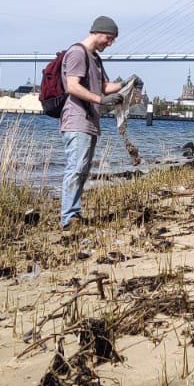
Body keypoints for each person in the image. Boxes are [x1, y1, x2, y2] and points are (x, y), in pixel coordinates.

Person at [59, 16, 126, 230]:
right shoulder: (78, 53)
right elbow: (72, 86)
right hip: (77, 119)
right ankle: (68, 218)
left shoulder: (95, 58)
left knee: (83, 169)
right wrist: (100, 100)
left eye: (113, 39)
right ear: (97, 32)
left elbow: (103, 86)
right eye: (109, 38)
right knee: (76, 168)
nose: (110, 43)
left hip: (90, 121)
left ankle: (75, 213)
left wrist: (125, 83)